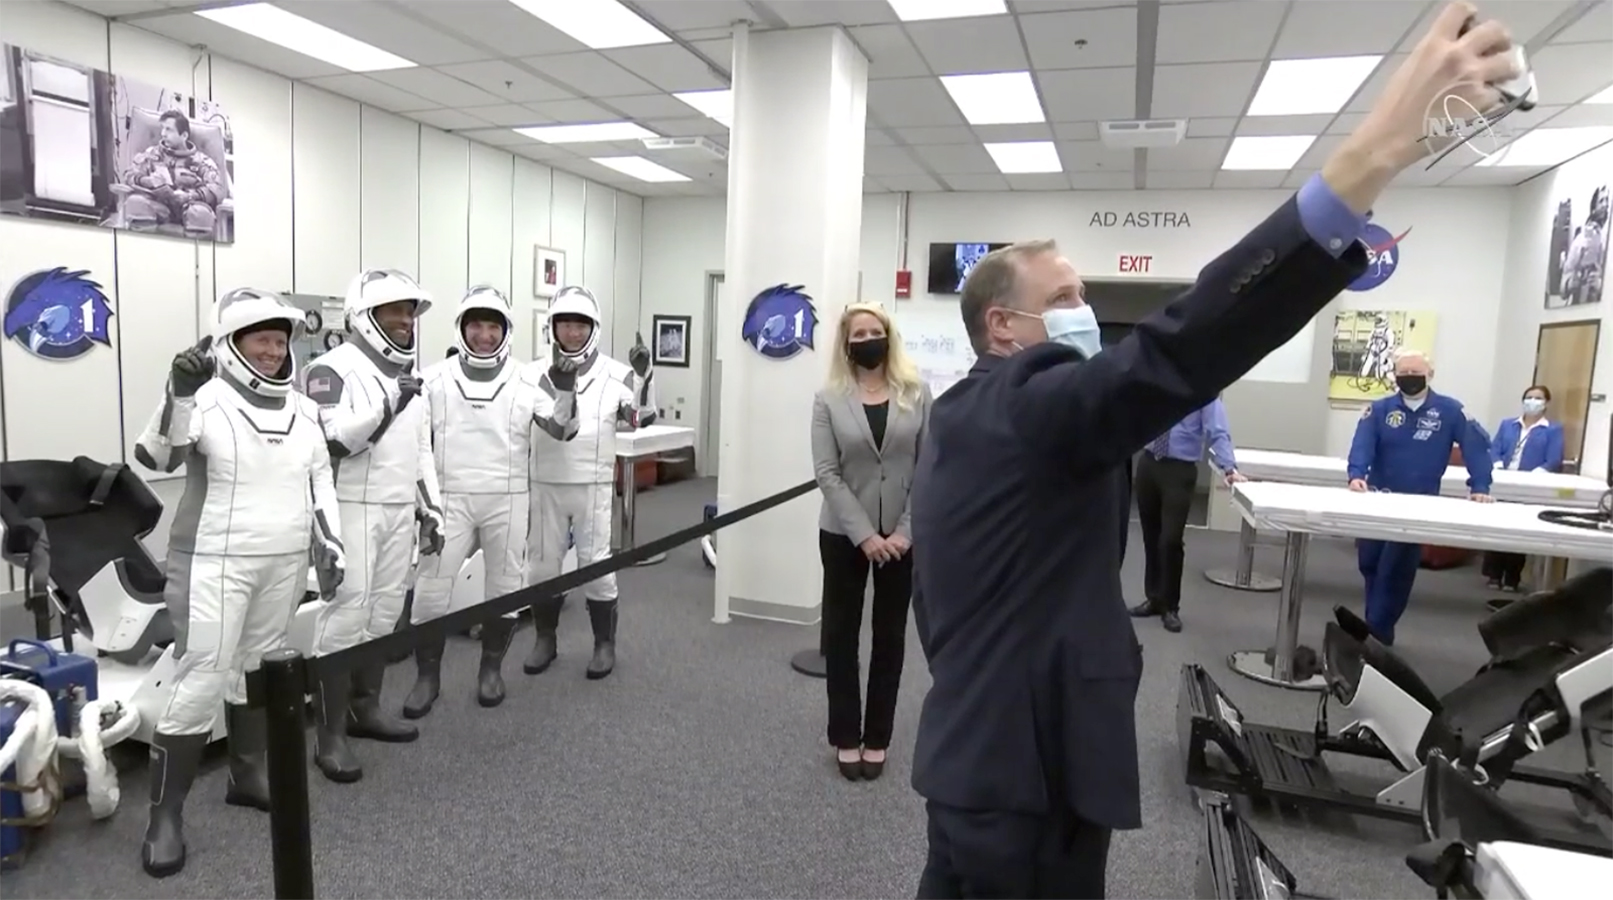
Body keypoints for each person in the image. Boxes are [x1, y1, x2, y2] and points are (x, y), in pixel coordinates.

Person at [906, 7, 1521, 896]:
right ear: (1003, 326)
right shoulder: (1026, 406)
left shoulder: (967, 414)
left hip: (985, 757)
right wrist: (1375, 152)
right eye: (1067, 295)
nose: (1087, 313)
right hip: (1023, 781)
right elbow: (1178, 348)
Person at [132, 288, 345, 878]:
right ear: (232, 344)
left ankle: (246, 775)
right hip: (212, 563)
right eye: (262, 339)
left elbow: (320, 479)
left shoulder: (305, 410)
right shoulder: (206, 398)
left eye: (280, 340)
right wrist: (176, 391)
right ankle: (164, 818)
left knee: (255, 671)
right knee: (201, 679)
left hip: (282, 562)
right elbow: (157, 456)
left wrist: (330, 542)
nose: (275, 351)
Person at [403, 286, 580, 717]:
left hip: (508, 498)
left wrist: (566, 388)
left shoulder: (525, 378)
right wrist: (422, 505)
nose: (484, 335)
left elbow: (563, 430)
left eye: (493, 326)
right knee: (430, 592)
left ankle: (490, 671)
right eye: (476, 325)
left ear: (506, 331)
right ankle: (427, 678)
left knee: (503, 589)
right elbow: (412, 444)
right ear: (462, 328)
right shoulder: (433, 378)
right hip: (450, 499)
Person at [304, 268, 446, 783]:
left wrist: (431, 508)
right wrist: (390, 401)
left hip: (395, 512)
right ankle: (330, 735)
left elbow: (421, 451)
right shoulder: (328, 369)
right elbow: (335, 441)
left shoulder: (412, 375)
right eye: (394, 311)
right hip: (350, 508)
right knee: (344, 620)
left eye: (410, 312)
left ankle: (366, 708)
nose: (405, 321)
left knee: (385, 614)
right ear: (365, 317)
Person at [810, 303, 932, 782]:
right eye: (858, 333)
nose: (867, 338)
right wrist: (865, 536)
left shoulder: (916, 393)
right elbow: (827, 473)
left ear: (888, 336)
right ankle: (845, 734)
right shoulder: (828, 399)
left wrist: (904, 531)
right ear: (846, 342)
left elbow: (928, 467)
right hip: (843, 535)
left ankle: (877, 736)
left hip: (903, 539)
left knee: (890, 639)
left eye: (874, 331)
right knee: (841, 638)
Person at [525, 286, 652, 680]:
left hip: (593, 484)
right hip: (545, 482)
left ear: (593, 327)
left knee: (595, 566)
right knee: (543, 567)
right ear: (553, 328)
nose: (573, 332)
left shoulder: (617, 373)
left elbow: (640, 418)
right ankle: (545, 638)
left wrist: (645, 377)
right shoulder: (532, 374)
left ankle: (603, 644)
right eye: (565, 324)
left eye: (581, 325)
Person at [1347, 349, 1493, 645]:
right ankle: (1375, 623)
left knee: (1396, 569)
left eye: (1416, 373)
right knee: (1371, 564)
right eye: (1404, 373)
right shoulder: (1379, 410)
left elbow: (1475, 448)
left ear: (1430, 375)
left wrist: (1480, 486)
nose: (1409, 379)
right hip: (1378, 499)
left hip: (1419, 504)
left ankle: (1378, 632)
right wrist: (1357, 475)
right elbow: (1362, 444)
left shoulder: (1451, 411)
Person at [1129, 399, 1245, 633]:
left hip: (1179, 470)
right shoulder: (1159, 380)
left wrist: (1229, 468)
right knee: (1151, 536)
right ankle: (1154, 598)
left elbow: (1218, 430)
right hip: (1149, 463)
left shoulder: (1203, 389)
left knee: (1170, 539)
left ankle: (1171, 606)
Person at [1481, 384, 1564, 591]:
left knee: (1518, 531)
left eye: (1538, 398)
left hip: (1530, 485)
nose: (1532, 402)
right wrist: (1498, 466)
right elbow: (1495, 448)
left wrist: (1534, 476)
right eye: (1529, 397)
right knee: (1498, 528)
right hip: (1503, 481)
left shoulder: (1552, 429)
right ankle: (1493, 574)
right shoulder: (1508, 424)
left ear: (1546, 403)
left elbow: (1553, 459)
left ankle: (1512, 577)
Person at [121, 110, 222, 238]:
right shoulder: (152, 154)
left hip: (191, 206)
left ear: (184, 135)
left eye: (169, 130)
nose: (163, 134)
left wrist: (190, 196)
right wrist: (148, 181)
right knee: (136, 202)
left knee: (201, 214)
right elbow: (129, 175)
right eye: (162, 129)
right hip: (158, 205)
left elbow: (216, 189)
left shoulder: (202, 161)